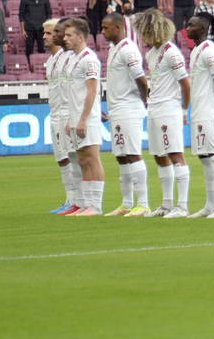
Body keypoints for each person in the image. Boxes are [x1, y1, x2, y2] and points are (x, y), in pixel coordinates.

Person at [135, 8, 191, 218]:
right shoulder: (151, 53)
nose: (142, 37)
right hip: (155, 108)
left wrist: (184, 109)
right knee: (159, 156)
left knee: (175, 154)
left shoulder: (172, 52)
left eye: (144, 32)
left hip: (169, 108)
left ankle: (182, 205)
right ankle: (167, 204)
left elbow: (185, 83)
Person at [101, 12, 152, 216]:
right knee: (121, 156)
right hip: (117, 109)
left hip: (129, 109)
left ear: (119, 26)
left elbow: (140, 78)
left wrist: (144, 99)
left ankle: (144, 203)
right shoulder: (114, 49)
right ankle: (127, 203)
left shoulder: (129, 49)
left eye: (106, 27)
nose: (103, 31)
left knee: (132, 154)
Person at [185, 13, 214, 218]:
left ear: (203, 28)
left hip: (210, 111)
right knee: (205, 157)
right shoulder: (196, 50)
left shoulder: (210, 50)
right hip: (198, 111)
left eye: (191, 25)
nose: (187, 28)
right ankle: (210, 204)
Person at [61, 18, 107, 215]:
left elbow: (91, 92)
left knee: (92, 158)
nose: (65, 38)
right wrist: (72, 119)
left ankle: (95, 205)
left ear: (80, 37)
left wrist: (82, 119)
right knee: (82, 160)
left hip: (87, 118)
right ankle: (87, 203)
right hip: (76, 117)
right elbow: (74, 93)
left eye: (69, 35)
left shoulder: (89, 59)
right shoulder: (74, 59)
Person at [44, 19, 83, 213]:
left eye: (49, 33)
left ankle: (77, 200)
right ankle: (70, 199)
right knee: (61, 158)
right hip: (54, 113)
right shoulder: (51, 60)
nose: (45, 36)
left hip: (67, 113)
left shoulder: (68, 58)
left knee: (71, 157)